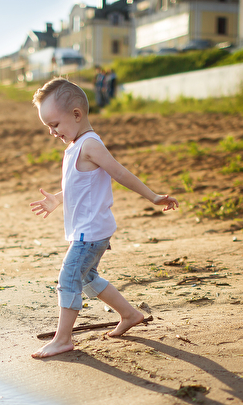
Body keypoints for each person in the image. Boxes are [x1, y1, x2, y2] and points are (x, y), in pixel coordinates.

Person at [29, 78, 179, 358]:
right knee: (87, 278)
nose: (52, 131)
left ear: (77, 114)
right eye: (48, 127)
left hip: (90, 233)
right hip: (87, 231)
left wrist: (153, 197)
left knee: (69, 278)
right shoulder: (76, 146)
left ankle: (63, 339)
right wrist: (58, 199)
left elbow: (120, 173)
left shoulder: (89, 145)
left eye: (55, 124)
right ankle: (130, 314)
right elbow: (79, 185)